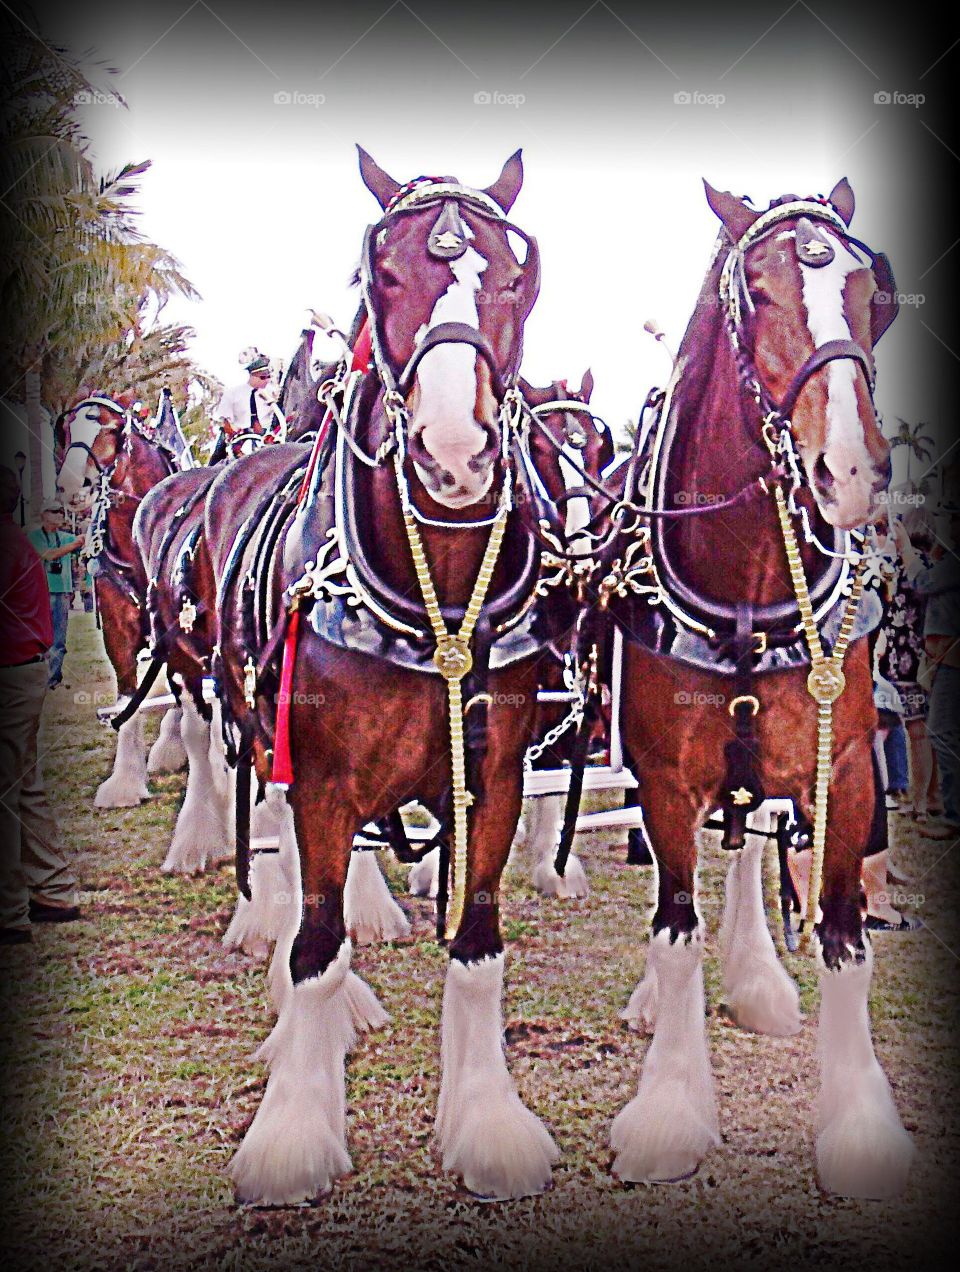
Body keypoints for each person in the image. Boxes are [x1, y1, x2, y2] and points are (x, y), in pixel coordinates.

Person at [0, 466, 82, 944]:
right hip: (25, 671)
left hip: (10, 673)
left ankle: (10, 913)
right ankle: (53, 890)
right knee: (23, 784)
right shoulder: (18, 542)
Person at [893, 506, 960, 839]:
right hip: (946, 660)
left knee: (942, 731)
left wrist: (905, 545)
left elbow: (921, 581)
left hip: (951, 660)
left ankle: (953, 815)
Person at [27, 500, 83, 688]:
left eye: (61, 511)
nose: (60, 515)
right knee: (40, 638)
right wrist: (75, 543)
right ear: (43, 515)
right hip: (41, 594)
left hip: (62, 593)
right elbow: (49, 555)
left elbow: (80, 550)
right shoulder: (34, 536)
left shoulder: (67, 537)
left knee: (59, 639)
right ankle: (39, 677)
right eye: (54, 511)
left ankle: (53, 679)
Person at [209, 350, 282, 462]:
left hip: (268, 435)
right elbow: (225, 422)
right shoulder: (234, 393)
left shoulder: (272, 391)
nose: (266, 379)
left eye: (266, 375)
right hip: (241, 437)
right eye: (262, 376)